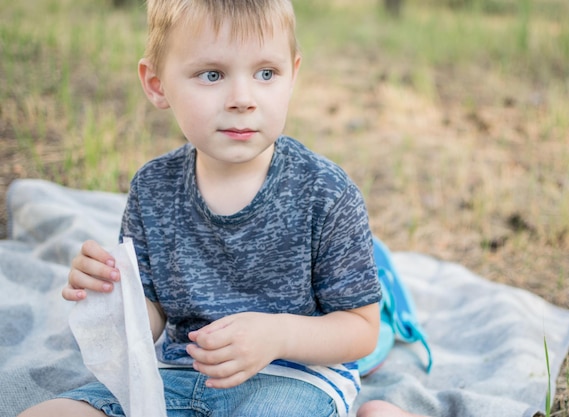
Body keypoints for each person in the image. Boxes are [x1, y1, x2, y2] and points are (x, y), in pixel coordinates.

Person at [18, 1, 383, 416]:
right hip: (176, 374)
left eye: (266, 73)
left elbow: (361, 329)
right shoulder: (153, 188)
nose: (242, 99)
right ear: (157, 85)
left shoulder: (327, 193)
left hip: (294, 380)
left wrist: (278, 335)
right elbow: (149, 319)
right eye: (212, 75)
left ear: (292, 75)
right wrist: (110, 294)